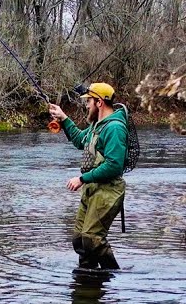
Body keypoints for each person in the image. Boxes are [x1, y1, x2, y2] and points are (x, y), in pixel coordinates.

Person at [48, 82, 128, 270]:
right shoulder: (96, 126)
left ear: (99, 103)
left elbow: (114, 166)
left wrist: (82, 179)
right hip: (93, 189)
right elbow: (79, 140)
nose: (86, 105)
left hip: (108, 191)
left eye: (89, 101)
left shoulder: (114, 128)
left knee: (92, 239)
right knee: (79, 240)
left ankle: (113, 274)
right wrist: (64, 118)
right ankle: (87, 280)